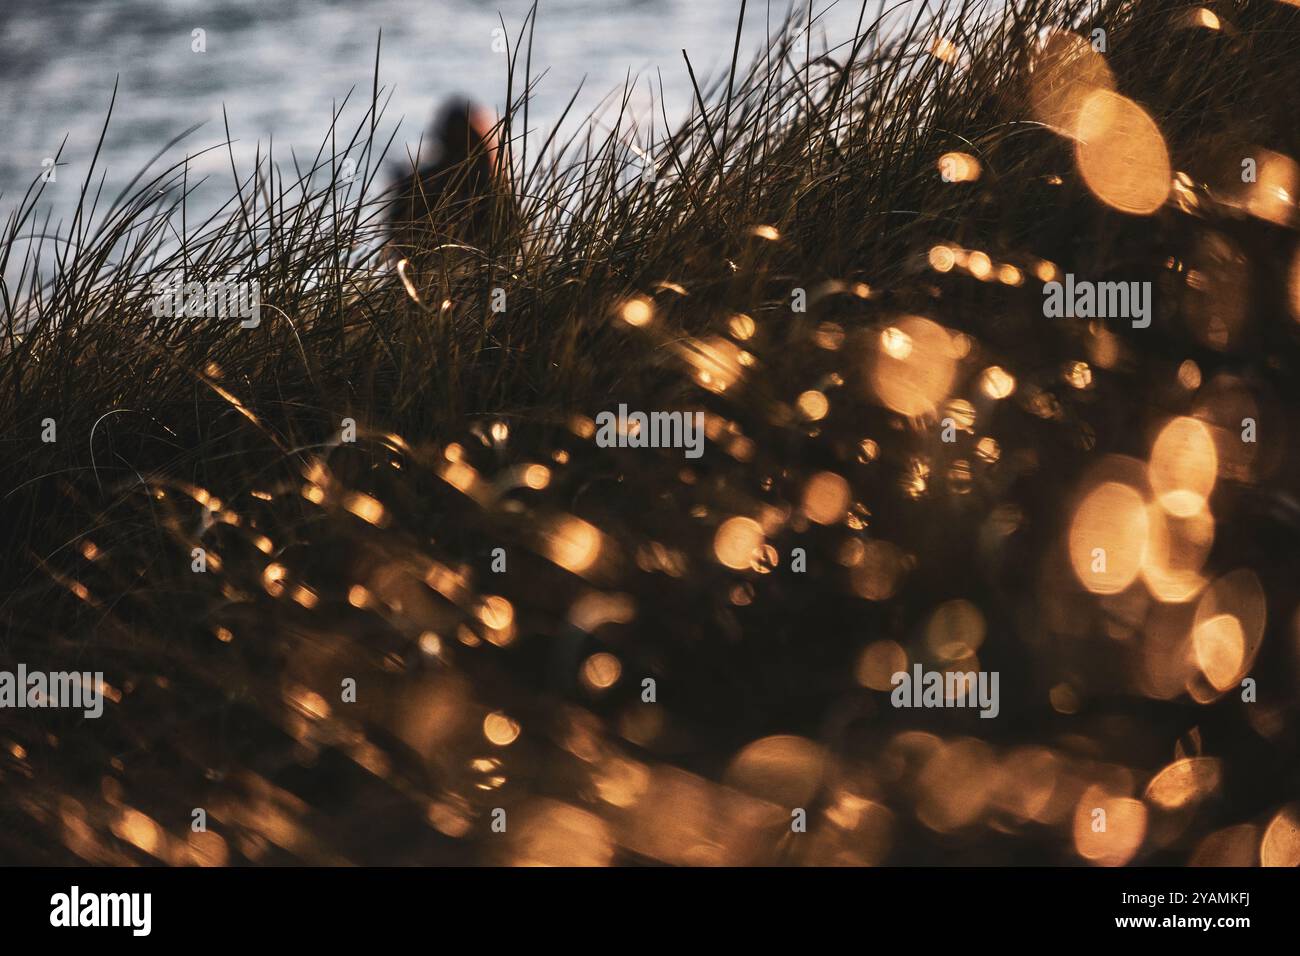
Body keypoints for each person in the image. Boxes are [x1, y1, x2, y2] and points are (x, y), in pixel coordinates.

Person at [386, 97, 508, 257]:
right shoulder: (496, 188)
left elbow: (397, 241)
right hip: (479, 272)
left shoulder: (419, 183)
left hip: (422, 270)